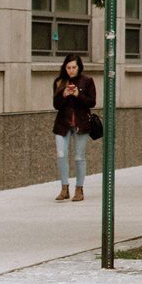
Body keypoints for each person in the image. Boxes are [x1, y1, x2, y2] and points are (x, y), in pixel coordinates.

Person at [51, 55, 97, 202]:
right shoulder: (59, 82)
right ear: (65, 68)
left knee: (79, 157)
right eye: (68, 67)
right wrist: (63, 95)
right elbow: (56, 105)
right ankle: (64, 188)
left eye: (74, 67)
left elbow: (92, 102)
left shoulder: (87, 81)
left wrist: (78, 94)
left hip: (81, 124)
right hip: (62, 124)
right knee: (61, 154)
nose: (71, 70)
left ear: (79, 67)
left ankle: (79, 189)